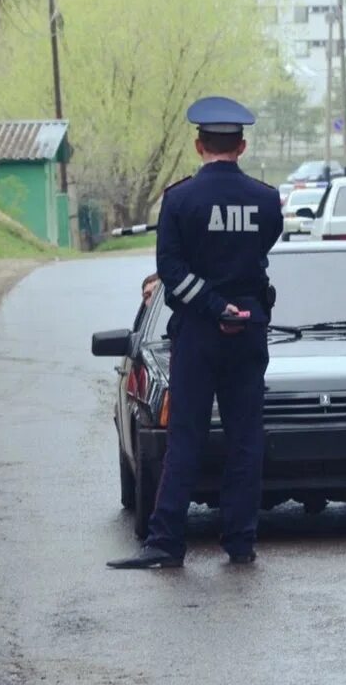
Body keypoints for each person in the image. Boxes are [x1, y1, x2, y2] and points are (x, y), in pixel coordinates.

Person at [108, 96, 283, 569]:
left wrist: (210, 304)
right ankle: (241, 542)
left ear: (198, 144)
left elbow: (170, 269)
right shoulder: (267, 200)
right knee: (246, 438)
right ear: (241, 146)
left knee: (185, 435)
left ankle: (166, 543)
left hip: (199, 334)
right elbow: (260, 252)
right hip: (249, 332)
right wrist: (233, 302)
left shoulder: (180, 199)